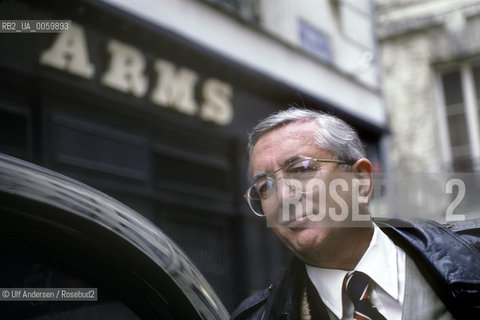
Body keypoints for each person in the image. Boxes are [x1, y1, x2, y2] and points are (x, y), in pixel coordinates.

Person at [231, 108, 480, 320]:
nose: (283, 197)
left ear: (361, 180)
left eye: (301, 169)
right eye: (265, 187)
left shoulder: (473, 260)